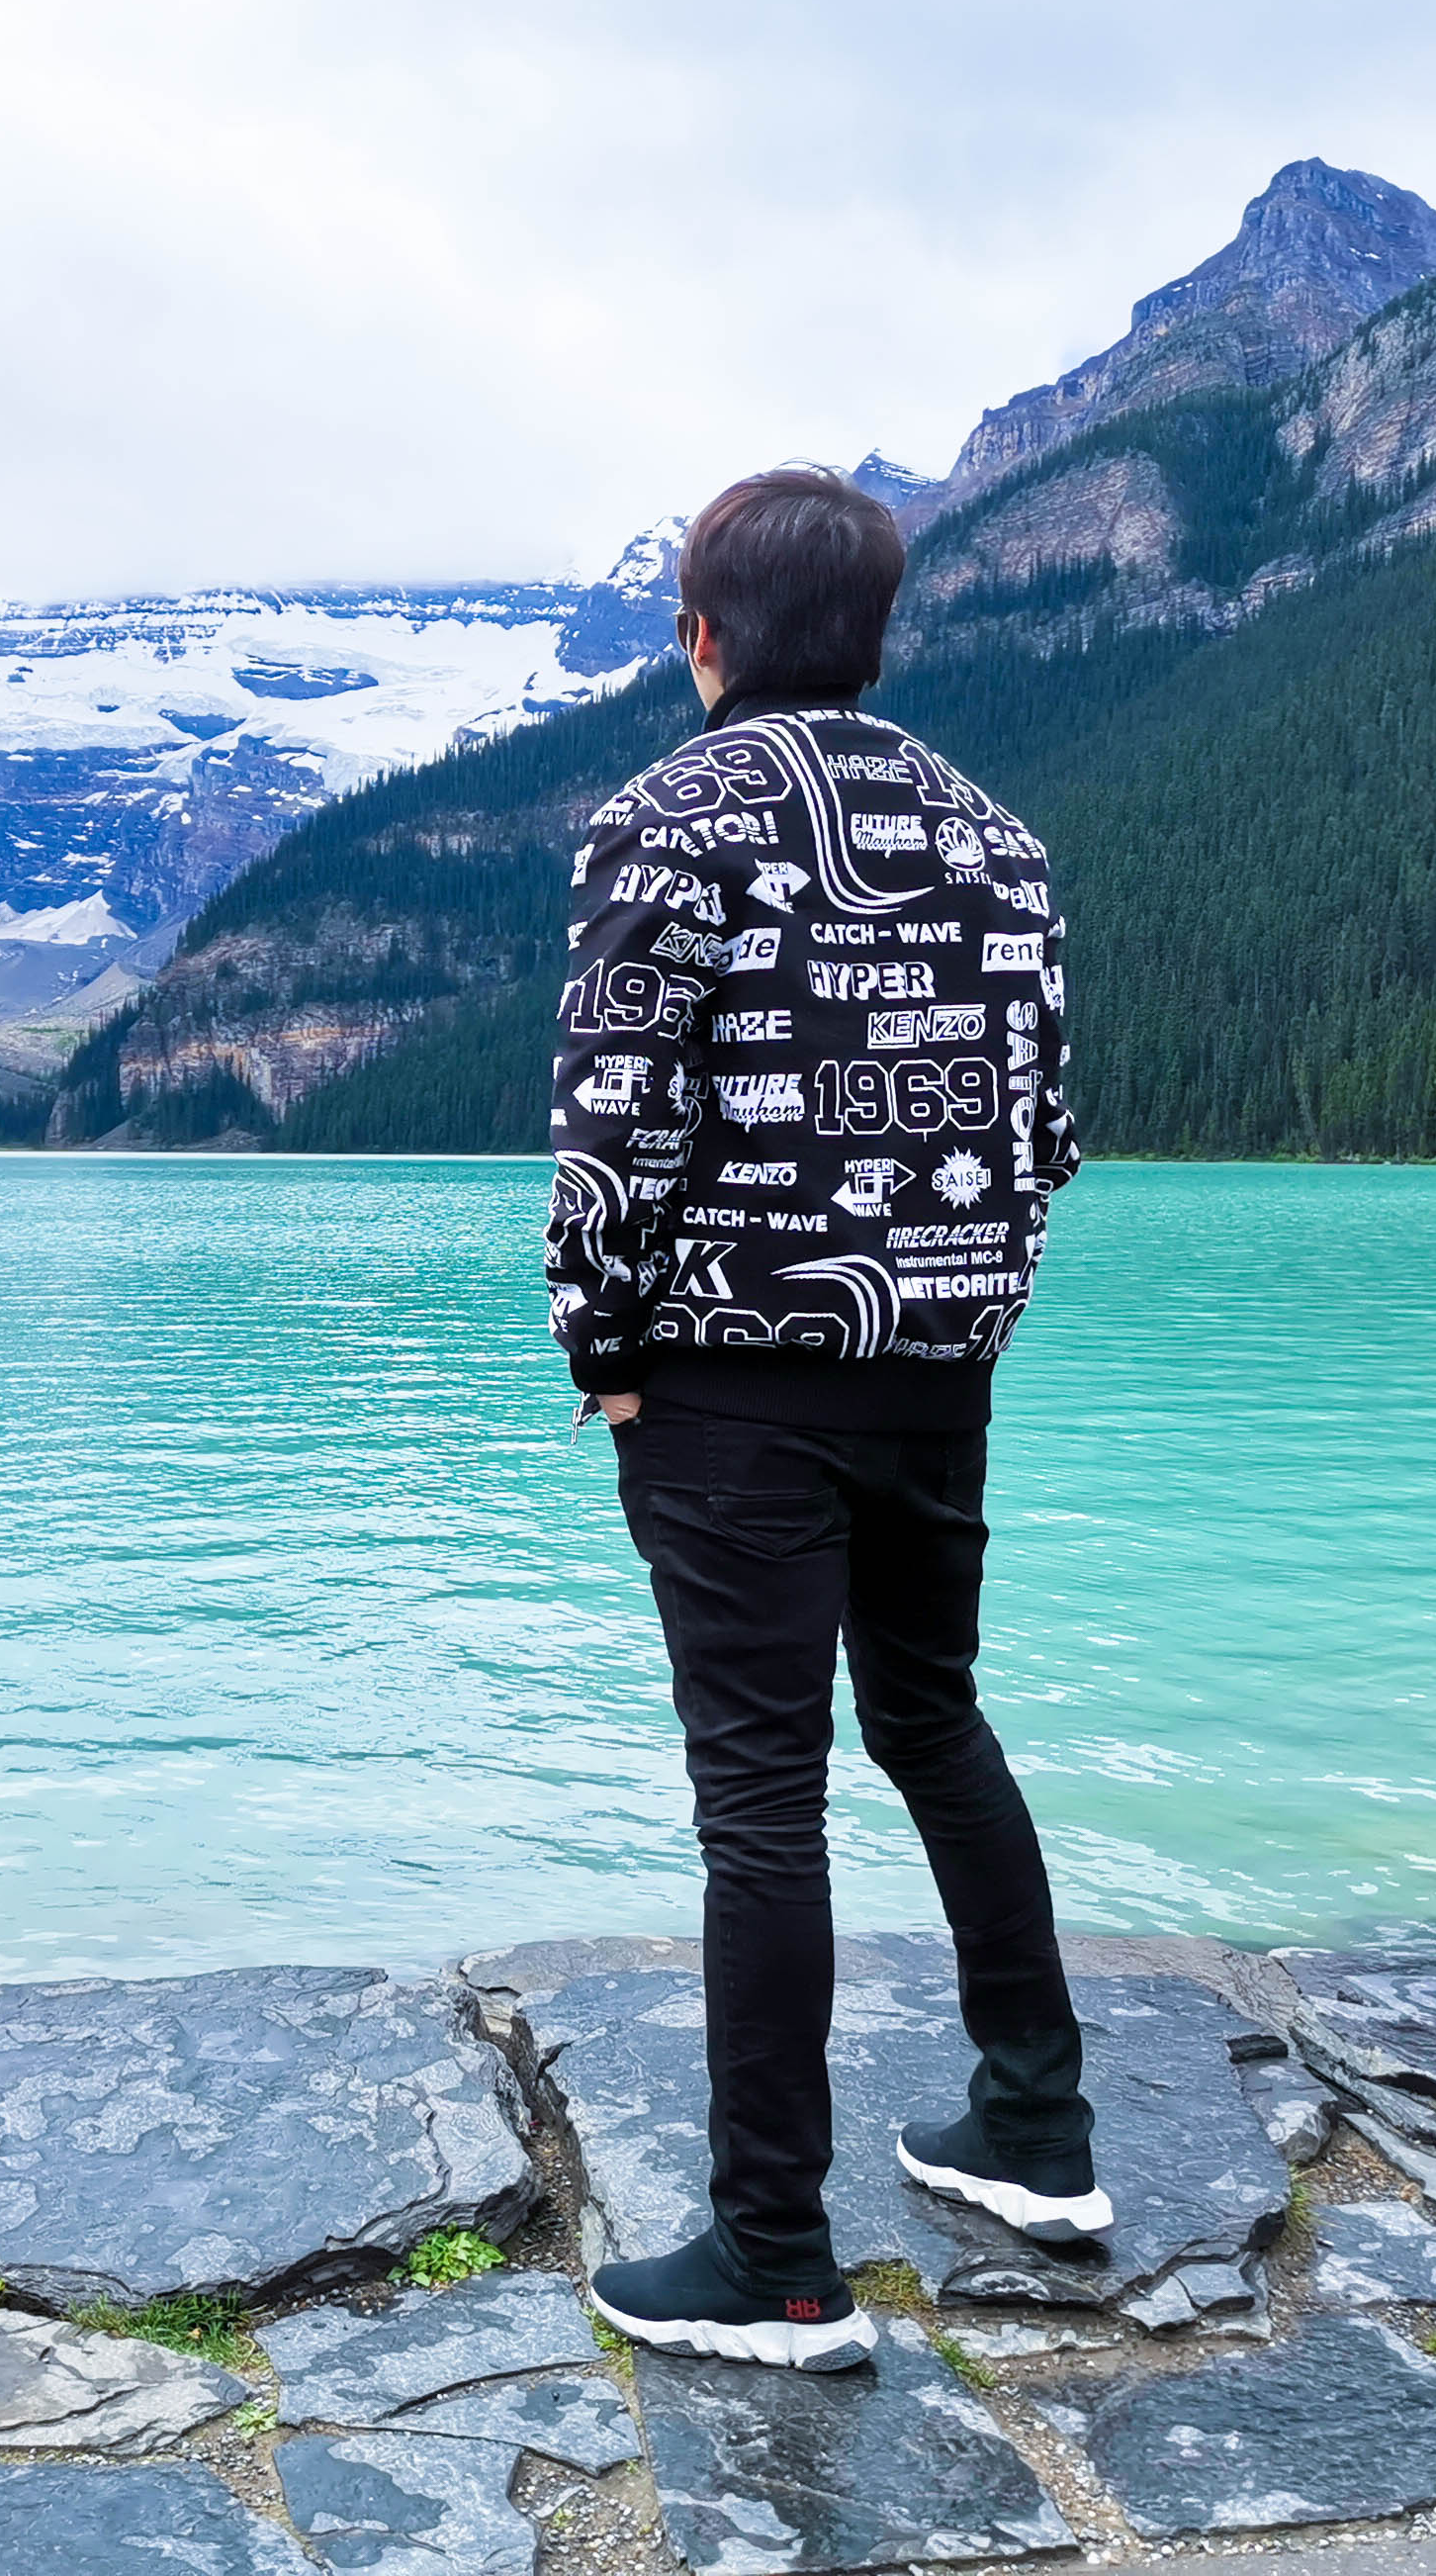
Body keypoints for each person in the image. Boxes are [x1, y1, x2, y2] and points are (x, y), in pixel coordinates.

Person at [547, 464, 1107, 2371]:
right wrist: (974, 1313)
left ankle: (778, 2262)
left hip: (732, 1381)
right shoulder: (1002, 839)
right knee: (935, 1716)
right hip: (935, 1366)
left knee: (760, 1806)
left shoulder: (663, 822)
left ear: (700, 635)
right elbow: (1045, 1133)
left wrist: (599, 1347)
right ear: (878, 636)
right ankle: (1038, 2133)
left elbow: (619, 1113)